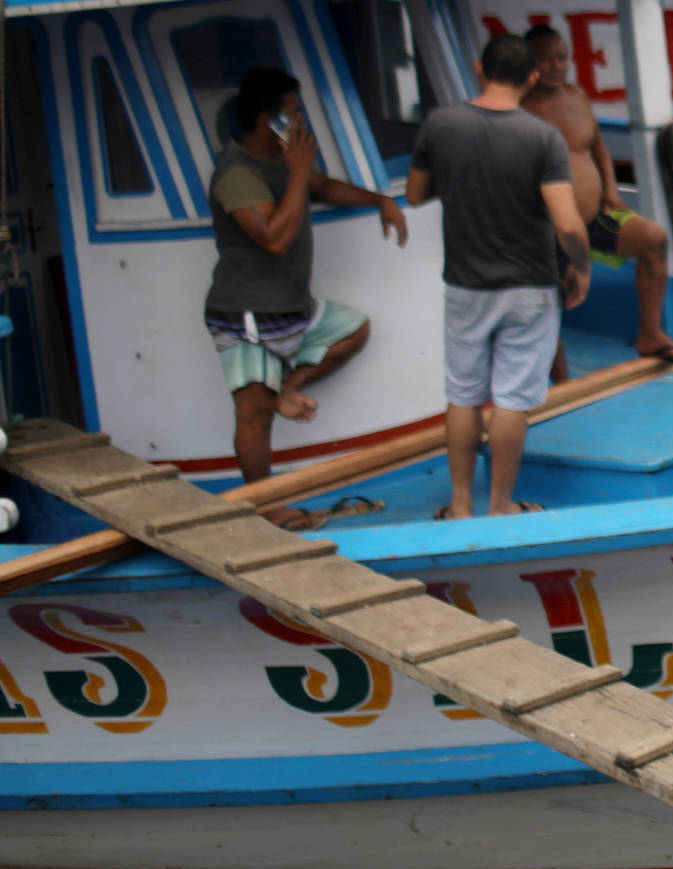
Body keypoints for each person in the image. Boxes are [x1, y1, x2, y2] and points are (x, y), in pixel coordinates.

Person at [204, 69, 410, 526]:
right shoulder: (237, 174)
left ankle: (289, 387)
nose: (301, 123)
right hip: (247, 312)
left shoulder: (279, 160)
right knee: (254, 412)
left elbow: (321, 187)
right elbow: (274, 238)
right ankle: (266, 507)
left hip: (292, 307)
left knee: (352, 328)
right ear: (266, 119)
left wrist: (380, 200)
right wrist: (297, 172)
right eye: (294, 113)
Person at [406, 34, 591, 520]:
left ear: (477, 67)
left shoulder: (440, 125)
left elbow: (415, 194)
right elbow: (569, 223)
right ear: (531, 78)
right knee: (511, 400)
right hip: (529, 286)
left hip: (465, 285)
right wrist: (581, 266)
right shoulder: (542, 136)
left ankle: (461, 504)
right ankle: (501, 504)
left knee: (463, 395)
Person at [520, 26, 673, 378]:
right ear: (529, 63)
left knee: (653, 238)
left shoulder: (576, 96)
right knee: (545, 296)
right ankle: (559, 379)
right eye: (546, 58)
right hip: (547, 228)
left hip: (592, 217)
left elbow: (597, 144)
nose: (557, 66)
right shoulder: (520, 109)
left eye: (562, 57)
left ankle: (650, 333)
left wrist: (611, 190)